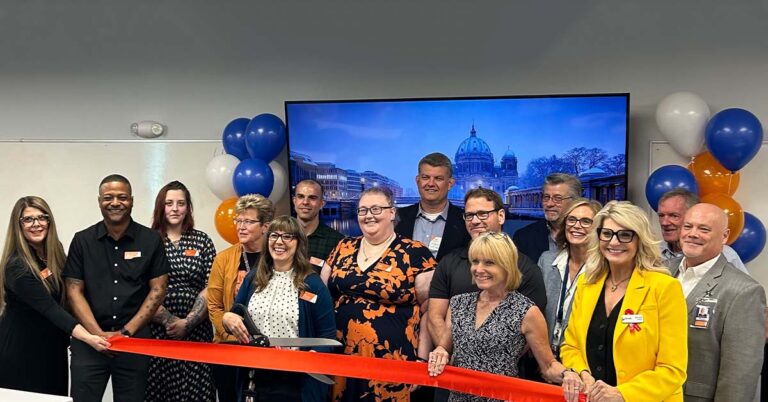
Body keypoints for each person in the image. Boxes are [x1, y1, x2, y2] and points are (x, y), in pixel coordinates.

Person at [560, 201, 688, 402]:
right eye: (607, 233)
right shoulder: (587, 283)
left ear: (640, 239)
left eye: (625, 235)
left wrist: (623, 394)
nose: (614, 242)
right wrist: (582, 374)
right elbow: (571, 346)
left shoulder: (664, 288)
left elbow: (672, 370)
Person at [426, 232, 575, 402]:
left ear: (506, 266)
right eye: (475, 262)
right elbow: (445, 348)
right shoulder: (458, 304)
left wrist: (568, 375)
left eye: (489, 263)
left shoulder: (526, 311)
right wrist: (439, 352)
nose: (479, 269)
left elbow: (548, 366)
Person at [322, 186, 437, 402]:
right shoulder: (343, 246)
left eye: (376, 209)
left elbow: (429, 310)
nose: (368, 216)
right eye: (363, 210)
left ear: (392, 213)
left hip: (393, 360)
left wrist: (422, 359)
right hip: (341, 358)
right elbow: (322, 294)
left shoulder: (415, 253)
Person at [64, 174, 169, 402]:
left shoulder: (151, 240)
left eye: (122, 197)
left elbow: (158, 290)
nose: (115, 202)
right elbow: (73, 290)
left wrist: (125, 333)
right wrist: (97, 335)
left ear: (131, 200)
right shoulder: (82, 240)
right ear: (99, 201)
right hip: (88, 344)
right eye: (108, 197)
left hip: (135, 343)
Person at [0, 196, 110, 396]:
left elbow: (71, 294)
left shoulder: (54, 253)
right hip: (22, 352)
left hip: (51, 350)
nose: (37, 224)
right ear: (18, 225)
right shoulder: (17, 266)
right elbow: (51, 309)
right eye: (28, 219)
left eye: (42, 217)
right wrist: (91, 338)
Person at [223, 216, 336, 402]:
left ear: (299, 243)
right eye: (274, 235)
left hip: (295, 380)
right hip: (255, 376)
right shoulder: (253, 278)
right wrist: (228, 317)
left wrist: (313, 358)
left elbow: (328, 336)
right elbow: (235, 313)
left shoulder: (312, 284)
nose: (279, 242)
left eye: (287, 237)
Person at [666, 203, 765, 402]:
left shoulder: (744, 291)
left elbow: (739, 375)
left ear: (725, 236)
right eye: (688, 226)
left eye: (704, 229)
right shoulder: (661, 271)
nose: (693, 234)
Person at [145, 181, 217, 402]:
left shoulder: (202, 240)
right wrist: (169, 321)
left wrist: (188, 323)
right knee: (160, 391)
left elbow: (211, 286)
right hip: (158, 333)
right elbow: (140, 289)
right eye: (169, 203)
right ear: (161, 207)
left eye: (181, 203)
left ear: (188, 208)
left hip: (197, 332)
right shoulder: (147, 241)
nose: (175, 208)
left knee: (198, 393)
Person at [207, 193, 274, 402]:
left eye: (249, 221)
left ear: (265, 226)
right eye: (239, 220)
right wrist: (227, 324)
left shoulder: (277, 257)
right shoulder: (224, 259)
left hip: (269, 347)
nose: (240, 226)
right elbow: (214, 307)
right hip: (229, 348)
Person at [538, 198, 602, 357]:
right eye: (571, 219)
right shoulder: (546, 261)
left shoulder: (604, 269)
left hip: (582, 361)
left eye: (586, 221)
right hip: (543, 358)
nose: (576, 225)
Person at [396, 153, 470, 261]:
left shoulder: (465, 221)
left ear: (450, 183)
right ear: (417, 181)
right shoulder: (396, 218)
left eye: (438, 178)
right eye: (425, 177)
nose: (431, 183)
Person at [656, 189, 748, 274]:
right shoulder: (651, 251)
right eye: (661, 215)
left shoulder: (726, 255)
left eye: (674, 216)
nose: (664, 223)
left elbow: (743, 288)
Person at [513, 173, 582, 262]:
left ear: (574, 201)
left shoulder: (589, 236)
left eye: (558, 198)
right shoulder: (523, 237)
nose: (549, 204)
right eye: (546, 197)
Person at [292, 179, 344, 271]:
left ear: (322, 204)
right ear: (294, 201)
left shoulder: (337, 242)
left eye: (312, 198)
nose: (305, 202)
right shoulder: (281, 236)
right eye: (300, 197)